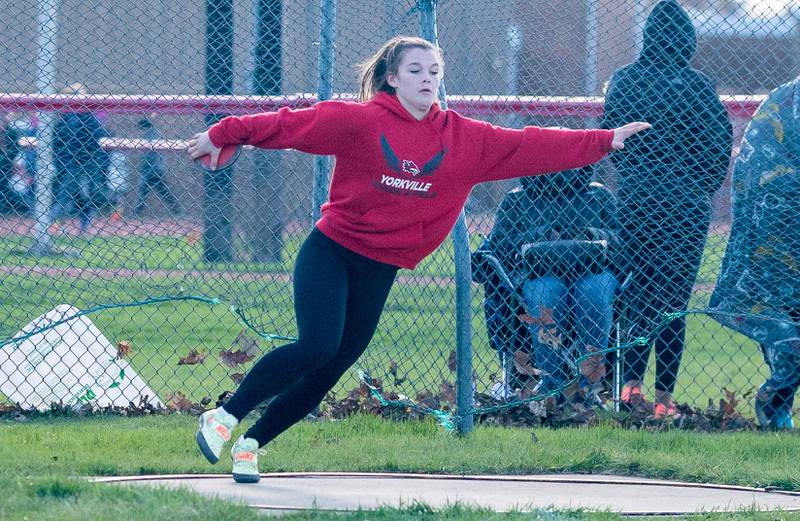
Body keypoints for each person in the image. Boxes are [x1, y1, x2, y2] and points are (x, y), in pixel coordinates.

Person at [187, 35, 650, 483]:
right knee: (318, 345)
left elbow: (530, 144)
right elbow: (289, 125)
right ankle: (224, 416)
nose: (427, 79)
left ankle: (251, 445)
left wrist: (605, 140)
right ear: (392, 78)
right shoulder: (359, 122)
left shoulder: (463, 139)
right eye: (415, 71)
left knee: (336, 362)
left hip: (380, 267)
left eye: (434, 71)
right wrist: (221, 132)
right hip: (332, 251)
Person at [601, 1, 732, 418]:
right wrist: (696, 189)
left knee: (638, 293)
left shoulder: (626, 80)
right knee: (673, 299)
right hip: (686, 206)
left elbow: (615, 140)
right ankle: (663, 399)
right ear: (688, 40)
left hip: (638, 200)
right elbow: (718, 146)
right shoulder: (699, 85)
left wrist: (640, 180)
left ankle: (630, 391)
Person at [478, 167, 620, 405]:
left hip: (593, 269)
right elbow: (500, 246)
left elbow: (621, 239)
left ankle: (589, 384)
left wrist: (589, 233)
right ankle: (552, 384)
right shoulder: (518, 199)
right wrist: (542, 234)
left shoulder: (599, 196)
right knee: (547, 292)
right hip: (538, 272)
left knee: (593, 292)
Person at [710, 77, 800, 430]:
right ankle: (776, 400)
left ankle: (776, 399)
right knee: (783, 314)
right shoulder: (785, 101)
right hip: (776, 225)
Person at [51, 83, 110, 234]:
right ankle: (51, 224)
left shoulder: (87, 117)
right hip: (72, 162)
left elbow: (96, 140)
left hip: (87, 162)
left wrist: (97, 162)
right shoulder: (66, 119)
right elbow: (58, 141)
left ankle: (83, 225)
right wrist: (62, 161)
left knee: (86, 194)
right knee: (68, 194)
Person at [133, 116, 181, 217]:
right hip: (153, 169)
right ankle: (176, 211)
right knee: (153, 192)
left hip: (153, 169)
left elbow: (150, 155)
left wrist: (145, 167)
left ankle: (177, 211)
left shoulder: (151, 134)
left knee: (146, 192)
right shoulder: (150, 134)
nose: (139, 131)